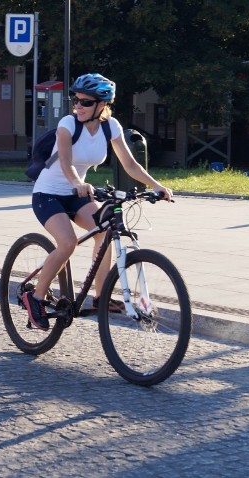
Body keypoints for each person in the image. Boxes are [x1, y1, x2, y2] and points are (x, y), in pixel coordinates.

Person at [22, 73, 173, 331]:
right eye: (76, 100)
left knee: (104, 233)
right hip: (48, 193)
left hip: (77, 194)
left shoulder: (110, 126)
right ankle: (35, 297)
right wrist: (78, 183)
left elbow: (130, 164)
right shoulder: (67, 124)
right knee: (67, 243)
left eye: (86, 102)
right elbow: (67, 163)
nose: (78, 106)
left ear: (102, 105)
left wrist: (156, 186)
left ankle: (101, 295)